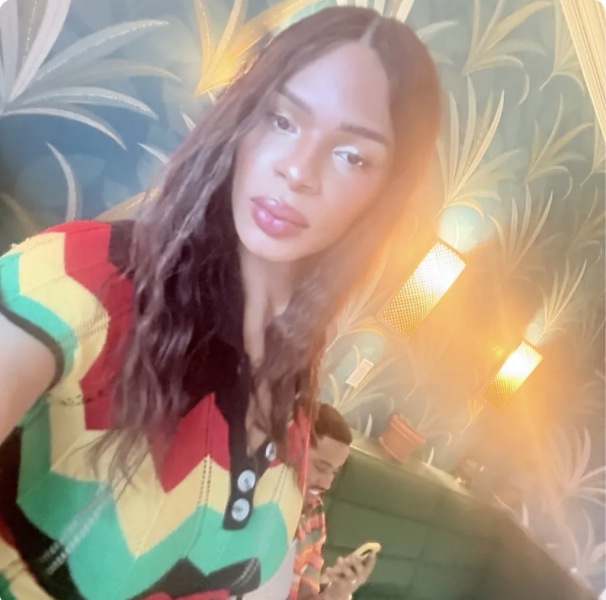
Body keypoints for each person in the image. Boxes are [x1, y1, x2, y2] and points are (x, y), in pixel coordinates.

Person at [0, 5, 440, 600]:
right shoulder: (87, 280)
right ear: (243, 121)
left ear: (384, 195)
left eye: (352, 156)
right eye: (282, 119)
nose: (298, 170)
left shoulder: (295, 408)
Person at [290, 404, 372, 600]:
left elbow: (306, 597)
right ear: (292, 448)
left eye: (334, 472)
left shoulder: (316, 515)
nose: (327, 484)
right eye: (321, 467)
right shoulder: (258, 500)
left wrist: (337, 592)